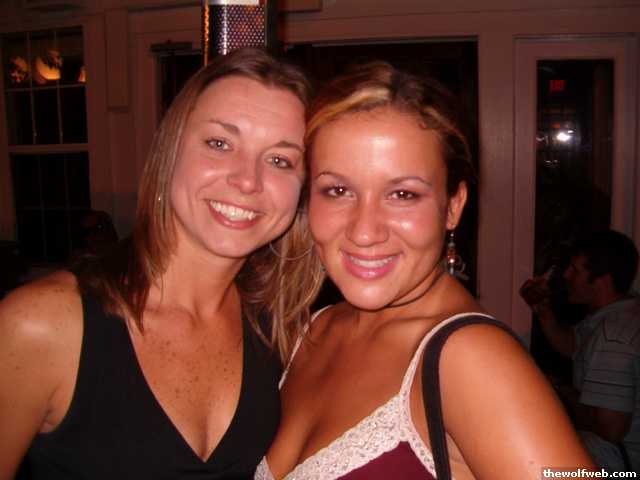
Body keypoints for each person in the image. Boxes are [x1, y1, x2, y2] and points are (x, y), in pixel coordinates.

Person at [255, 62, 594, 480]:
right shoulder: (311, 330)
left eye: (402, 194)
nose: (364, 231)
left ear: (453, 206)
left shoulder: (471, 359)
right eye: (338, 190)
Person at [0, 48, 323, 479]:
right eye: (219, 143)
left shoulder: (282, 330)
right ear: (170, 150)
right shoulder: (42, 322)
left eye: (280, 160)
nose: (247, 180)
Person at [521, 229, 640, 473]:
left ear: (601, 280)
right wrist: (544, 312)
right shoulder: (621, 313)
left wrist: (558, 392)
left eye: (575, 270)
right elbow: (576, 347)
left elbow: (610, 428)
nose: (566, 275)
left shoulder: (613, 338)